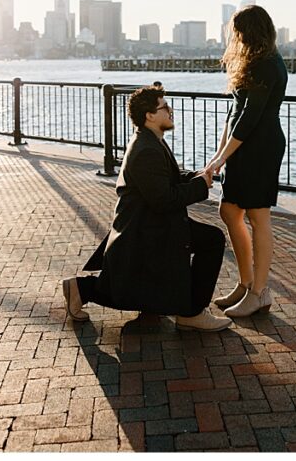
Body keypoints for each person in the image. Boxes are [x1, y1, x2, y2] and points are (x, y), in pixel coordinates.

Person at [61, 86, 231, 331]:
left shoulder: (149, 140)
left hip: (149, 223)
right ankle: (192, 312)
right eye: (164, 107)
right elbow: (164, 199)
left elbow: (165, 179)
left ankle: (81, 288)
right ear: (150, 115)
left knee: (136, 289)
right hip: (147, 229)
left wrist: (195, 176)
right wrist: (199, 186)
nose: (170, 110)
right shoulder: (147, 149)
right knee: (212, 240)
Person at [203, 5, 287, 317]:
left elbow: (250, 119)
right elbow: (234, 112)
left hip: (261, 147)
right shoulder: (251, 61)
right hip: (242, 146)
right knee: (229, 210)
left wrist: (223, 157)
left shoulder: (267, 63)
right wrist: (218, 154)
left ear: (248, 32)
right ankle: (245, 284)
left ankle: (259, 293)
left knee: (258, 216)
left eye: (237, 31)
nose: (233, 37)